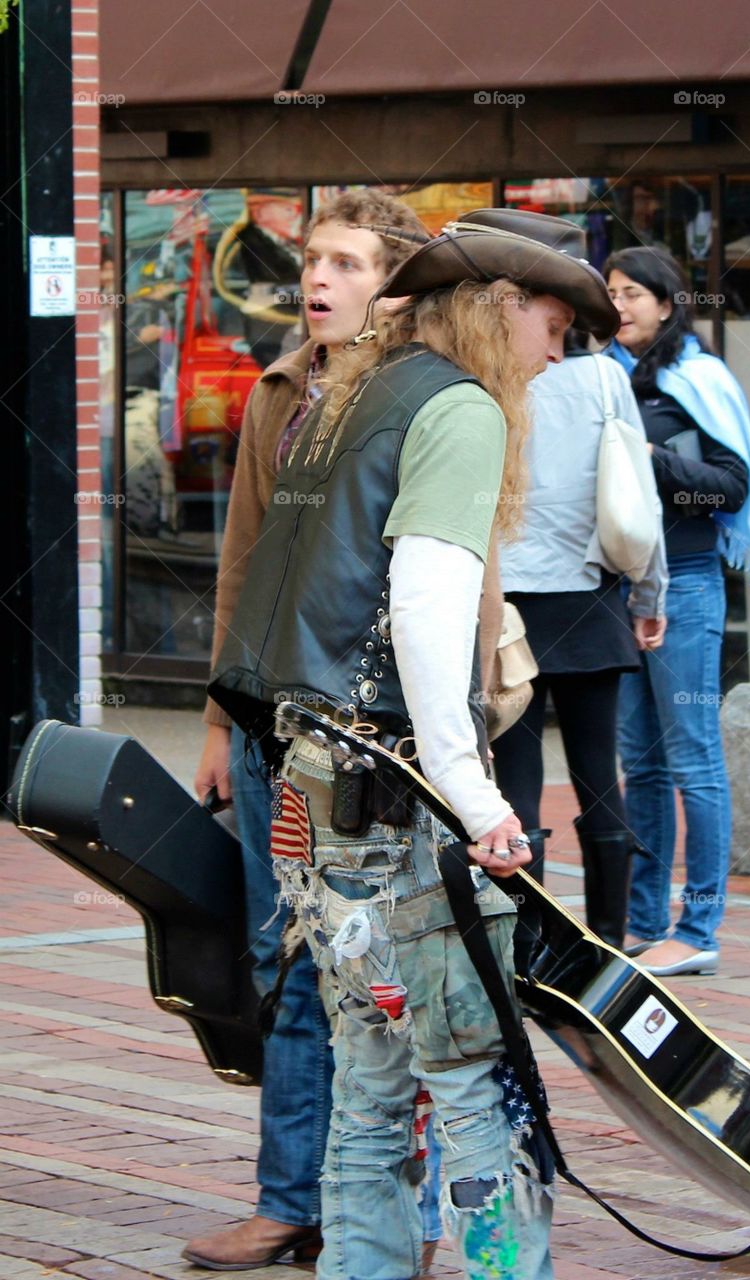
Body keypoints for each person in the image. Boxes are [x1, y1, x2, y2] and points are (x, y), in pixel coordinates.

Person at [208, 208, 619, 1280]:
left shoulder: (355, 390)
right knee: (471, 1078)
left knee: (372, 1081)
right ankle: (497, 1270)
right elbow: (431, 613)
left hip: (314, 788)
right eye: (551, 318)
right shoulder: (459, 408)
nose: (558, 344)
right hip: (392, 802)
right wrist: (476, 798)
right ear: (499, 310)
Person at [186, 191, 443, 1273]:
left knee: (385, 972)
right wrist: (215, 718)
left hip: (374, 732)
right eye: (311, 259)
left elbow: (450, 581)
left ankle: (401, 1209)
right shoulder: (277, 390)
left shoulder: (427, 399)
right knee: (282, 961)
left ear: (392, 286)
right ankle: (290, 1198)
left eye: (344, 261)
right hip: (267, 724)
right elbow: (240, 562)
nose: (317, 278)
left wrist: (447, 738)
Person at [606, 246, 750, 978]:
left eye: (635, 293)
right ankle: (642, 924)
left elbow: (729, 488)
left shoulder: (696, 381)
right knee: (639, 765)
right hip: (625, 591)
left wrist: (649, 457)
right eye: (611, 292)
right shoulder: (609, 378)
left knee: (693, 761)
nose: (620, 305)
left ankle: (699, 927)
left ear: (668, 304)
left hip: (690, 585)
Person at [491, 332, 667, 956]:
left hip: (504, 605)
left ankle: (528, 948)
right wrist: (649, 596)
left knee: (515, 778)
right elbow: (635, 495)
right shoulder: (604, 376)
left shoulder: (490, 368)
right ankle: (610, 946)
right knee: (599, 777)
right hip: (588, 597)